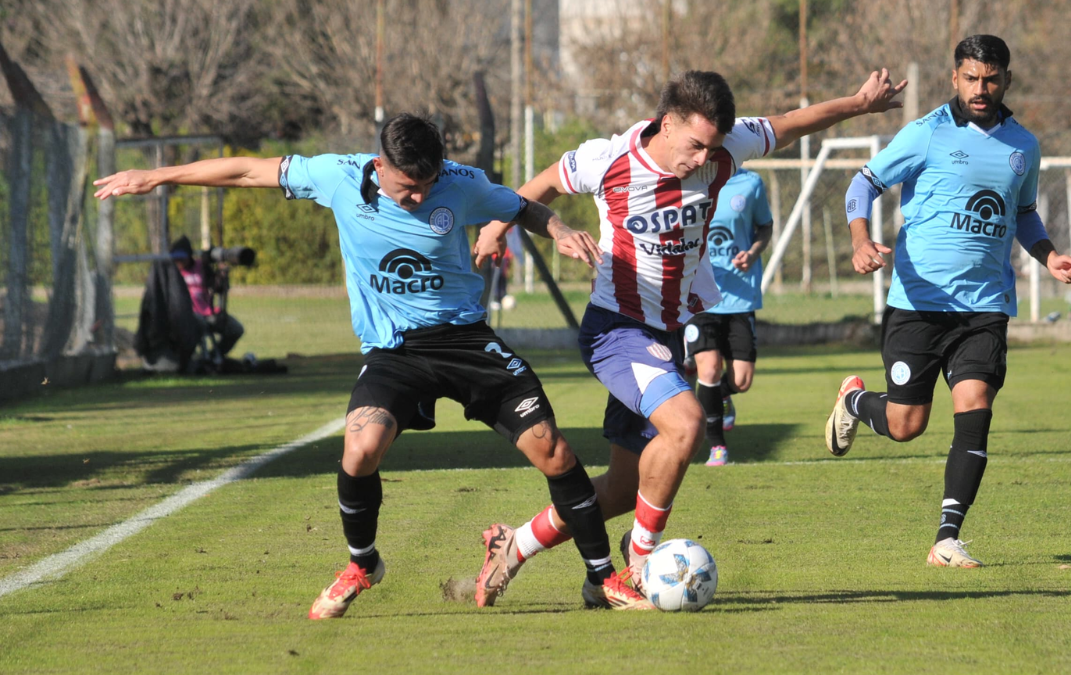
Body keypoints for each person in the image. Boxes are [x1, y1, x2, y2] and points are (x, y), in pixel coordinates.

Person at [94, 113, 654, 616]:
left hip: (465, 340)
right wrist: (157, 176)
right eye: (407, 188)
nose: (417, 198)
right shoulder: (338, 175)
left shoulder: (458, 184)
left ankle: (602, 577)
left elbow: (522, 206)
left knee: (552, 450)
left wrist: (557, 229)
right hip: (394, 351)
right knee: (360, 449)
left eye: (426, 187)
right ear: (380, 165)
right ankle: (363, 564)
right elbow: (245, 171)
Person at [472, 68, 907, 606]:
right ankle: (640, 561)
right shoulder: (610, 159)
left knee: (622, 489)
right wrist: (496, 227)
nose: (703, 159)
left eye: (713, 148)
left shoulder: (725, 148)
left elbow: (792, 123)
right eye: (696, 145)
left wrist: (858, 105)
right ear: (668, 122)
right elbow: (539, 186)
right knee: (687, 424)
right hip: (616, 330)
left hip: (667, 335)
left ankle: (511, 547)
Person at [825, 35, 1071, 568]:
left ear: (1007, 80)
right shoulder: (926, 134)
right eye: (971, 78)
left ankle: (947, 537)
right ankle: (854, 402)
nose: (981, 88)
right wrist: (859, 239)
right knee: (906, 425)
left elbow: (1025, 214)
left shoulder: (1023, 146)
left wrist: (1049, 255)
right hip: (918, 304)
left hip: (985, 306)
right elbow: (862, 184)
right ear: (955, 79)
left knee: (975, 407)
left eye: (991, 79)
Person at [682, 167, 773, 466]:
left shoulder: (750, 183)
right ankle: (717, 446)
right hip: (700, 296)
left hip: (740, 296)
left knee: (742, 380)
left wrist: (753, 252)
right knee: (707, 369)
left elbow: (765, 227)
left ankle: (720, 395)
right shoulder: (689, 179)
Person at [168, 235, 244, 360]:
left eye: (182, 258)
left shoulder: (201, 266)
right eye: (176, 259)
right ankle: (192, 359)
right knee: (199, 324)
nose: (179, 261)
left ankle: (214, 355)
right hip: (186, 316)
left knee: (236, 329)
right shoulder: (171, 272)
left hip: (208, 313)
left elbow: (216, 287)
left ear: (189, 256)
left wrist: (222, 276)